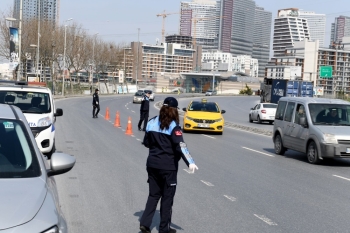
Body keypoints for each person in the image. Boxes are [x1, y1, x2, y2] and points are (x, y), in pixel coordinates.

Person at [139, 97, 198, 233]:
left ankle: (145, 223)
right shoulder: (174, 127)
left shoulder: (151, 122)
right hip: (168, 167)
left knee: (153, 195)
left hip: (152, 164)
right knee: (167, 199)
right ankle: (164, 229)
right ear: (174, 111)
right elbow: (180, 146)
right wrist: (190, 162)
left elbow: (146, 143)